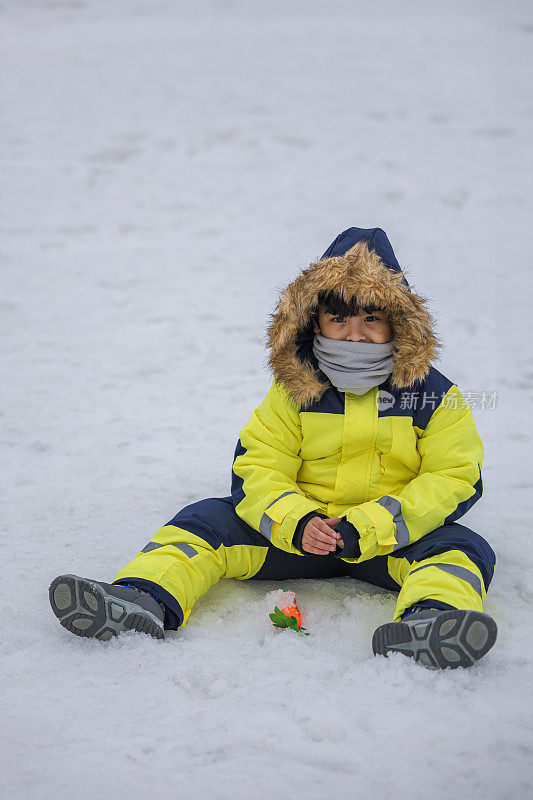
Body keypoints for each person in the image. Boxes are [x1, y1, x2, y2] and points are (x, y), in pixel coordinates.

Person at [49, 226, 497, 669]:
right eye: (339, 318)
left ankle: (431, 620)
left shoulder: (433, 396)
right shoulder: (293, 390)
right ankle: (142, 597)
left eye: (371, 319)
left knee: (461, 548)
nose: (354, 334)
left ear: (397, 323)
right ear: (314, 321)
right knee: (204, 520)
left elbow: (453, 475)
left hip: (390, 539)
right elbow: (258, 465)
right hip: (296, 537)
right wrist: (297, 521)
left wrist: (372, 523)